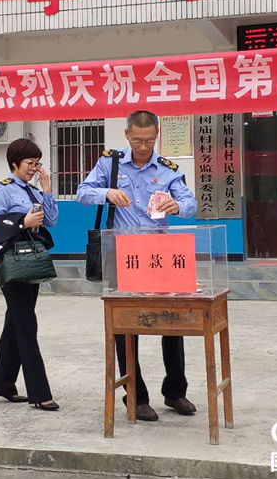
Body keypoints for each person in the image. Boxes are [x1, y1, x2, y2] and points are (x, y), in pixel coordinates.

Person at [77, 110, 197, 422]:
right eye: (138, 140)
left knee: (173, 322)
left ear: (157, 135)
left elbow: (191, 204)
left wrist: (178, 205)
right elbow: (83, 193)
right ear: (127, 135)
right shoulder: (111, 163)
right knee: (126, 326)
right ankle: (136, 395)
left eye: (150, 141)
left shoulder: (168, 169)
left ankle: (175, 392)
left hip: (160, 255)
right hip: (124, 254)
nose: (144, 147)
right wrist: (107, 192)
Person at [0, 138, 59, 411]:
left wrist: (47, 189)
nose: (34, 168)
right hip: (13, 263)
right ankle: (40, 393)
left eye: (37, 163)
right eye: (30, 163)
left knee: (15, 323)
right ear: (14, 163)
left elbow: (50, 221)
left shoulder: (33, 190)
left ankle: (3, 384)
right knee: (27, 325)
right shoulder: (4, 190)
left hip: (31, 262)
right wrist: (21, 221)